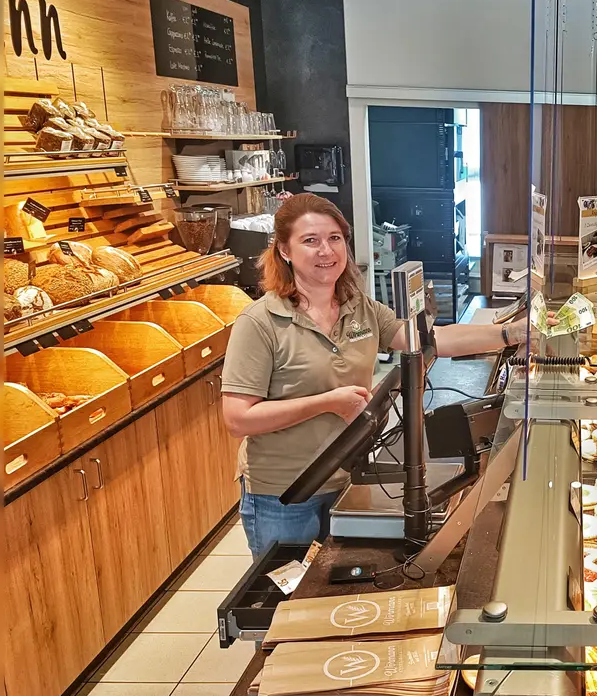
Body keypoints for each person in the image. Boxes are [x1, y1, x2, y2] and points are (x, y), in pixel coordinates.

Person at [220, 193, 519, 557]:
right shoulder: (259, 322)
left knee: (332, 591)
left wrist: (508, 334)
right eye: (310, 241)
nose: (326, 251)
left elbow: (429, 340)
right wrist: (327, 403)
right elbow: (238, 418)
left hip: (349, 477)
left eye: (334, 238)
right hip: (283, 492)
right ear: (284, 250)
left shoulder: (358, 307)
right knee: (284, 599)